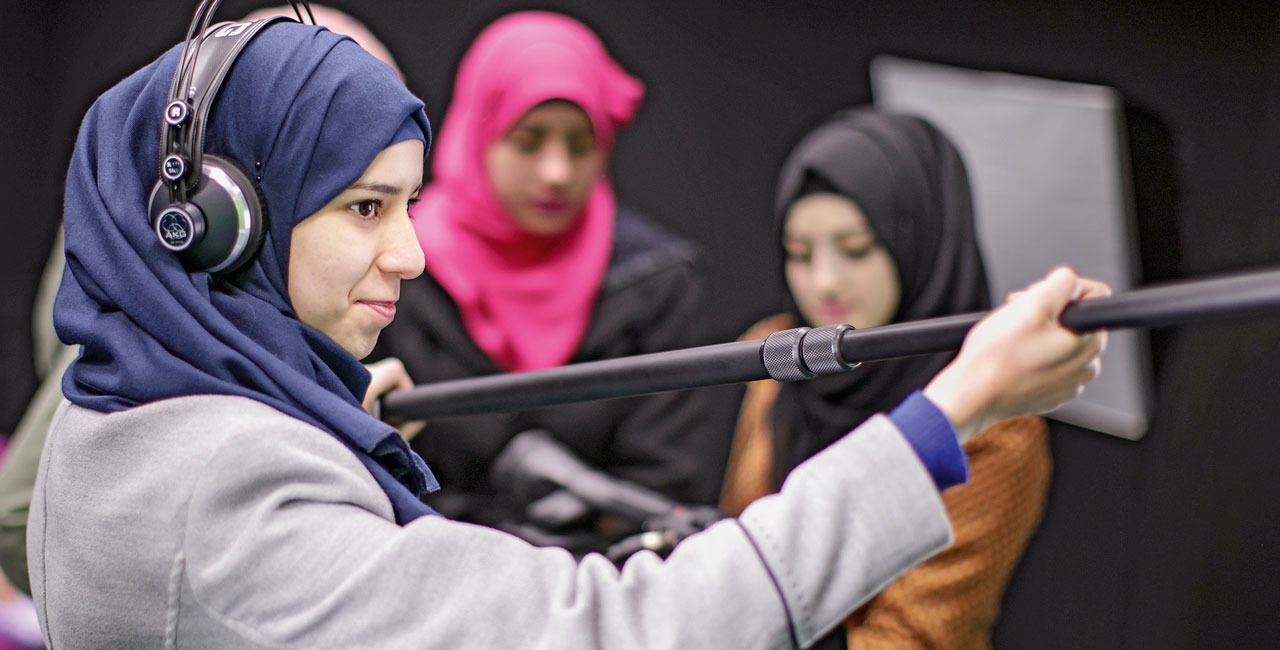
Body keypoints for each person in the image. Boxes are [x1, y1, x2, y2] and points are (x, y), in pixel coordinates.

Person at [29, 15, 1107, 648]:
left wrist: (321, 417)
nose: (408, 254)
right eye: (365, 208)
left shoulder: (118, 406)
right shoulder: (226, 488)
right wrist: (953, 407)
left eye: (409, 205)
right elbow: (622, 626)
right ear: (221, 221)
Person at [0, 3, 413, 596]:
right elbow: (23, 517)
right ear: (228, 205)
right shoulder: (154, 293)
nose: (408, 255)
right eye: (360, 193)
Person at [370, 11, 726, 542]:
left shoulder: (655, 282)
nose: (557, 172)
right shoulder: (400, 262)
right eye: (528, 141)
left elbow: (665, 486)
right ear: (479, 132)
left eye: (581, 146)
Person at [720, 108, 1069, 649]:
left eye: (857, 249)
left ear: (919, 241)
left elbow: (915, 636)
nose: (825, 281)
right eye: (799, 254)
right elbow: (733, 548)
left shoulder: (996, 424)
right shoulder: (777, 353)